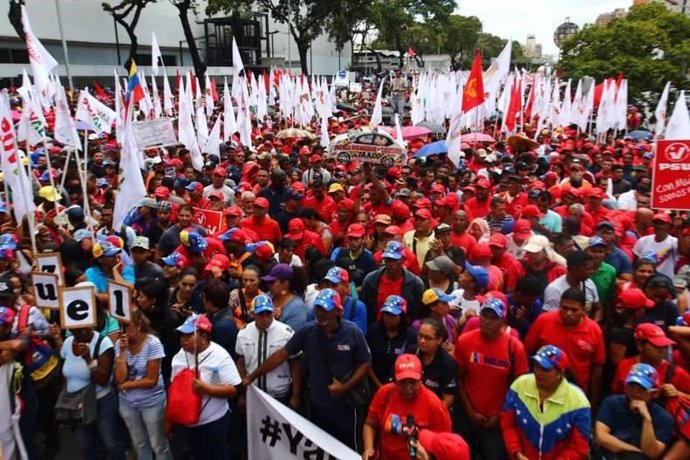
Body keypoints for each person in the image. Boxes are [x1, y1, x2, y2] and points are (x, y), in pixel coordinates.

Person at [244, 289, 371, 450]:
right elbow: (283, 354)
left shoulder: (352, 331)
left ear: (338, 311)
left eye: (325, 309)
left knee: (347, 449)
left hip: (345, 407)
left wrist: (345, 387)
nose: (320, 313)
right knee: (320, 448)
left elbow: (365, 363)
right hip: (317, 405)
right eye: (318, 308)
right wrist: (252, 376)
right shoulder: (308, 331)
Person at [454, 297, 529, 460]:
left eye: (493, 318)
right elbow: (459, 378)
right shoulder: (465, 341)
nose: (487, 322)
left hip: (497, 421)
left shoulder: (515, 348)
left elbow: (519, 389)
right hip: (468, 416)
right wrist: (469, 411)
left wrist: (500, 416)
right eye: (484, 316)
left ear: (502, 321)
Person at [169, 314, 241, 460]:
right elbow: (172, 388)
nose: (183, 340)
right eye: (182, 335)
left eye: (188, 335)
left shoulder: (220, 356)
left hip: (213, 424)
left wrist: (206, 389)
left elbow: (234, 389)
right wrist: (169, 421)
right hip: (186, 425)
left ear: (203, 336)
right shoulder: (179, 356)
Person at [500, 345, 592, 460]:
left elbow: (579, 447)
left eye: (545, 369)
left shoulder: (578, 402)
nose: (537, 372)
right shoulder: (519, 386)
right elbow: (507, 424)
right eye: (536, 366)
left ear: (560, 373)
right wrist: (516, 452)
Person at [525, 287, 606, 407]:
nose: (568, 313)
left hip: (575, 393)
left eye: (574, 310)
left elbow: (597, 366)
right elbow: (528, 351)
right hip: (541, 390)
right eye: (564, 308)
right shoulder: (544, 321)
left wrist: (593, 400)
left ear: (584, 310)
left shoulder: (594, 330)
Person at [362, 353, 452, 460]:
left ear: (421, 377)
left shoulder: (435, 406)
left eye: (413, 382)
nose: (408, 388)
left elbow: (445, 450)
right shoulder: (385, 393)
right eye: (403, 382)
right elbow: (370, 424)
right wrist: (368, 448)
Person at [57, 325, 126, 460]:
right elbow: (65, 374)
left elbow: (102, 380)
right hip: (78, 404)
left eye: (84, 329)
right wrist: (65, 401)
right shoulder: (67, 343)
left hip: (101, 401)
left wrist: (88, 359)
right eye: (76, 330)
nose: (81, 332)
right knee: (86, 445)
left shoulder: (103, 343)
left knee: (110, 442)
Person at [114, 309, 172, 460]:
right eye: (121, 326)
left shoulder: (153, 343)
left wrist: (127, 386)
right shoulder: (121, 345)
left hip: (151, 403)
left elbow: (151, 380)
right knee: (139, 443)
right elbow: (120, 378)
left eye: (126, 326)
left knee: (158, 444)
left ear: (138, 325)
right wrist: (121, 352)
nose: (123, 331)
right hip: (128, 403)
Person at [596, 363, 674, 460]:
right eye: (632, 386)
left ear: (654, 393)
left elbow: (652, 453)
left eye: (641, 389)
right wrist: (635, 451)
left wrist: (647, 419)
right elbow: (601, 437)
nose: (635, 392)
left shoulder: (664, 418)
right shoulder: (611, 403)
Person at [235, 294, 301, 408]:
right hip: (253, 393)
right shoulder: (243, 333)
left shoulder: (286, 333)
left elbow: (295, 365)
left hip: (279, 394)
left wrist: (296, 395)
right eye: (261, 314)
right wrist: (241, 394)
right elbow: (240, 364)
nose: (265, 318)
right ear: (253, 314)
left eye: (268, 314)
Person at [361, 241, 425, 323]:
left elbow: (419, 314)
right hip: (377, 329)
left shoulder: (415, 283)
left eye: (395, 260)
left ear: (403, 259)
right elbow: (365, 309)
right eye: (388, 260)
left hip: (404, 331)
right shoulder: (371, 280)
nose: (391, 263)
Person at [367, 295, 418, 389]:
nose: (388, 318)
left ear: (402, 316)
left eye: (393, 316)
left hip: (399, 387)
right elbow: (367, 361)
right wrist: (379, 386)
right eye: (386, 314)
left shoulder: (411, 336)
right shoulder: (373, 332)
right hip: (374, 385)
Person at [415, 318, 457, 408]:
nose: (422, 340)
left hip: (434, 410)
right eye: (420, 336)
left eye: (428, 338)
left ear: (439, 340)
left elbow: (447, 400)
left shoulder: (447, 364)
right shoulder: (412, 353)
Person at [261, 263, 308, 331]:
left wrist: (272, 320)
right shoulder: (267, 297)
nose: (268, 285)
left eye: (272, 282)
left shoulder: (297, 308)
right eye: (268, 282)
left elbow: (291, 338)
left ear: (284, 284)